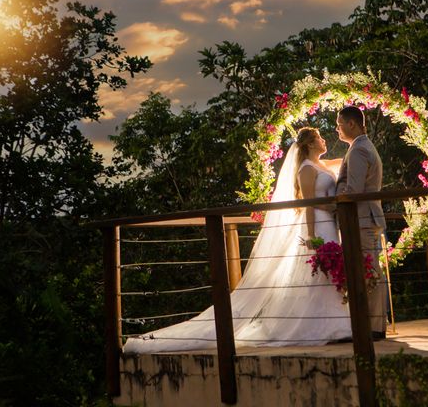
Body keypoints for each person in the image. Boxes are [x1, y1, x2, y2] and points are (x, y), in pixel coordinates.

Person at [123, 127, 351, 354]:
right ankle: (322, 325)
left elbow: (343, 162)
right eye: (320, 138)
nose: (324, 140)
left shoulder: (322, 165)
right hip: (318, 224)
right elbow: (307, 204)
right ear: (310, 144)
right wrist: (312, 235)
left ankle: (338, 322)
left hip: (330, 223)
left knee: (331, 272)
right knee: (319, 273)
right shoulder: (307, 169)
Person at [335, 106, 388, 339]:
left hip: (363, 218)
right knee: (369, 269)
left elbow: (353, 190)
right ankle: (372, 324)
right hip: (367, 216)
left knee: (370, 271)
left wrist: (331, 198)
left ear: (351, 124)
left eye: (339, 124)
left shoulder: (358, 150)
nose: (337, 128)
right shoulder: (363, 146)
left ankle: (374, 327)